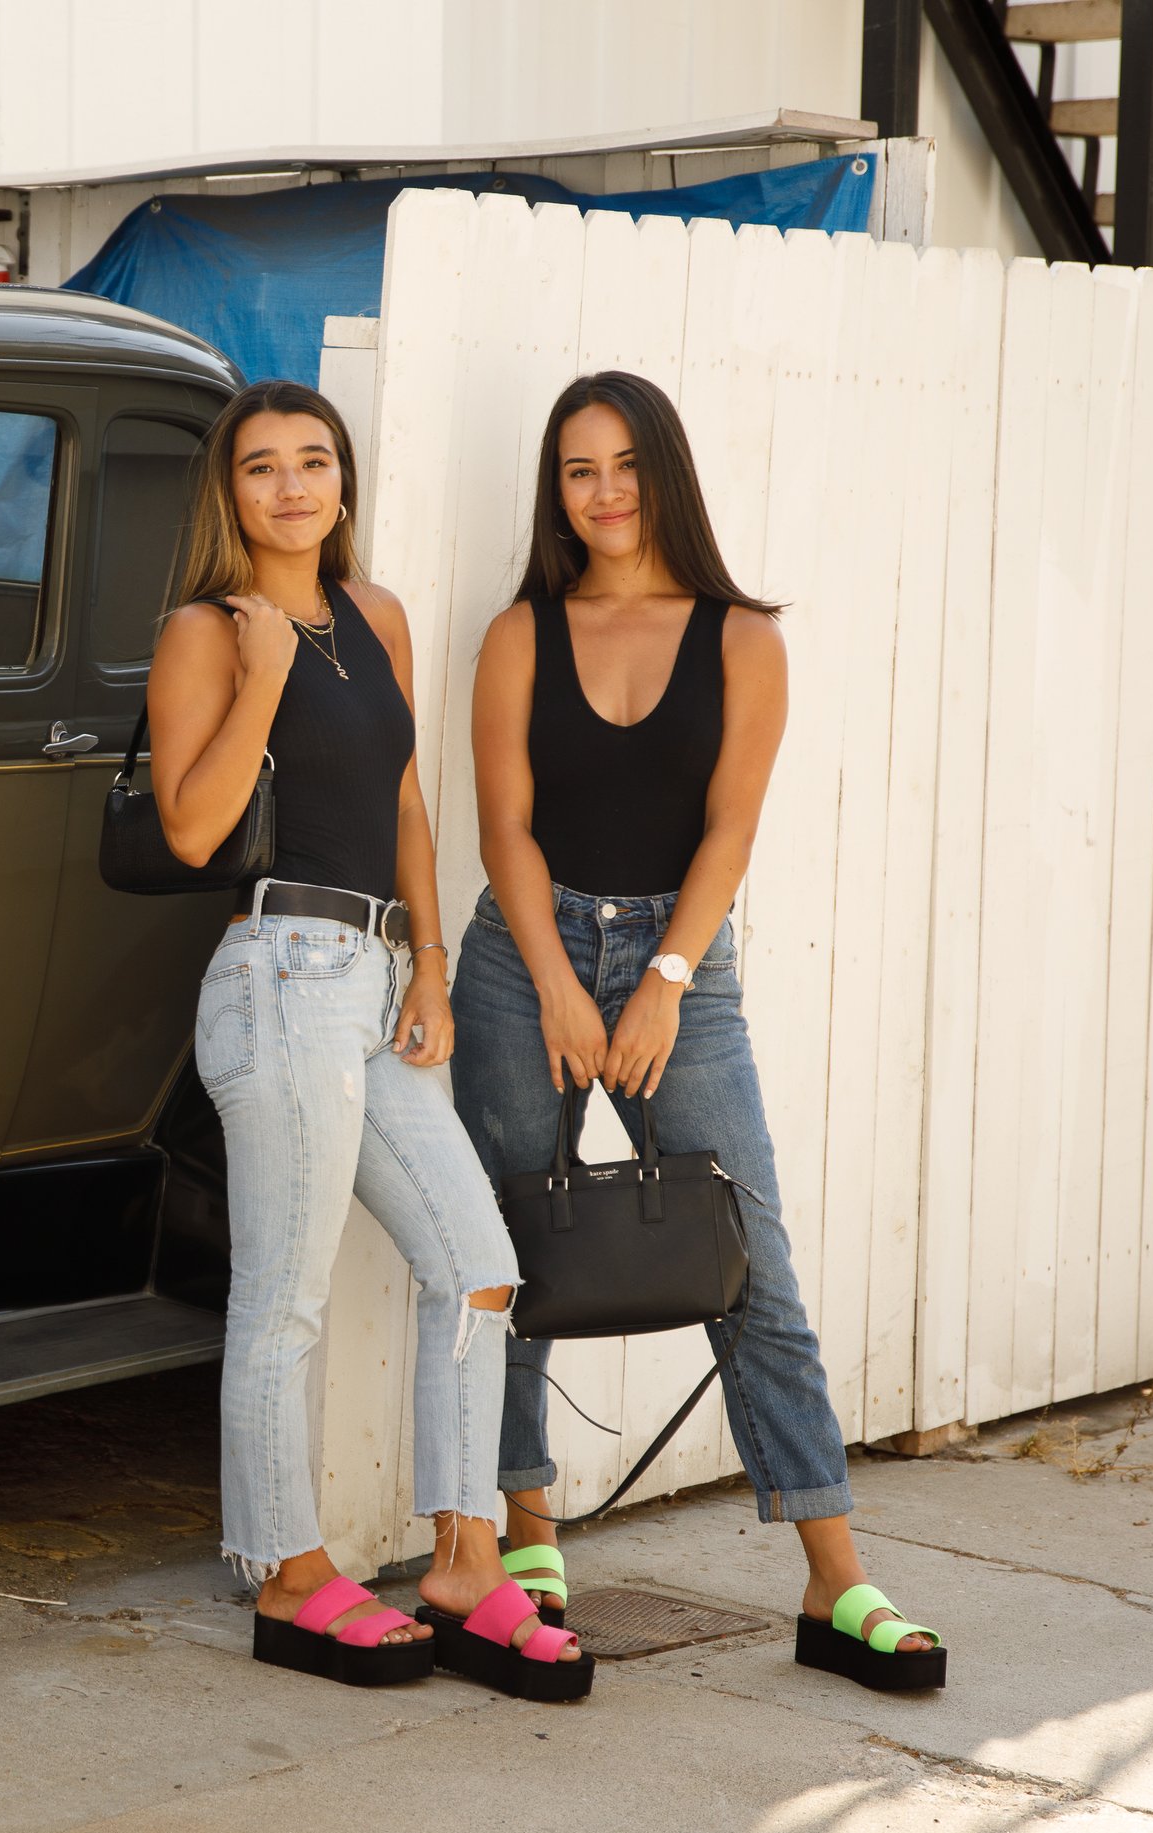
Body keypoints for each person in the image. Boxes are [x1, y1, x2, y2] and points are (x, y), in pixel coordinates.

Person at [448, 370, 946, 1693]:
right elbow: (504, 827)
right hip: (522, 957)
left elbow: (731, 830)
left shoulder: (741, 639)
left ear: (663, 472)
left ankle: (837, 1582)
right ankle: (530, 1538)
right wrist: (556, 979)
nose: (602, 493)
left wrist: (662, 979)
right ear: (555, 491)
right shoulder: (519, 634)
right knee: (510, 1257)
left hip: (681, 960)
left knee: (752, 1265)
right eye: (576, 470)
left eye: (623, 465)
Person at [148, 380, 586, 1700]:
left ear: (345, 479)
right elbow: (188, 829)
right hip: (278, 972)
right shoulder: (209, 631)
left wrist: (435, 963)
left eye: (314, 462)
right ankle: (289, 1574)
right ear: (231, 497)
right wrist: (265, 676)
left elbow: (403, 797)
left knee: (481, 1271)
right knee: (285, 1298)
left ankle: (465, 1561)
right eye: (262, 468)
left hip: (381, 976)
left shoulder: (379, 615)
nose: (291, 486)